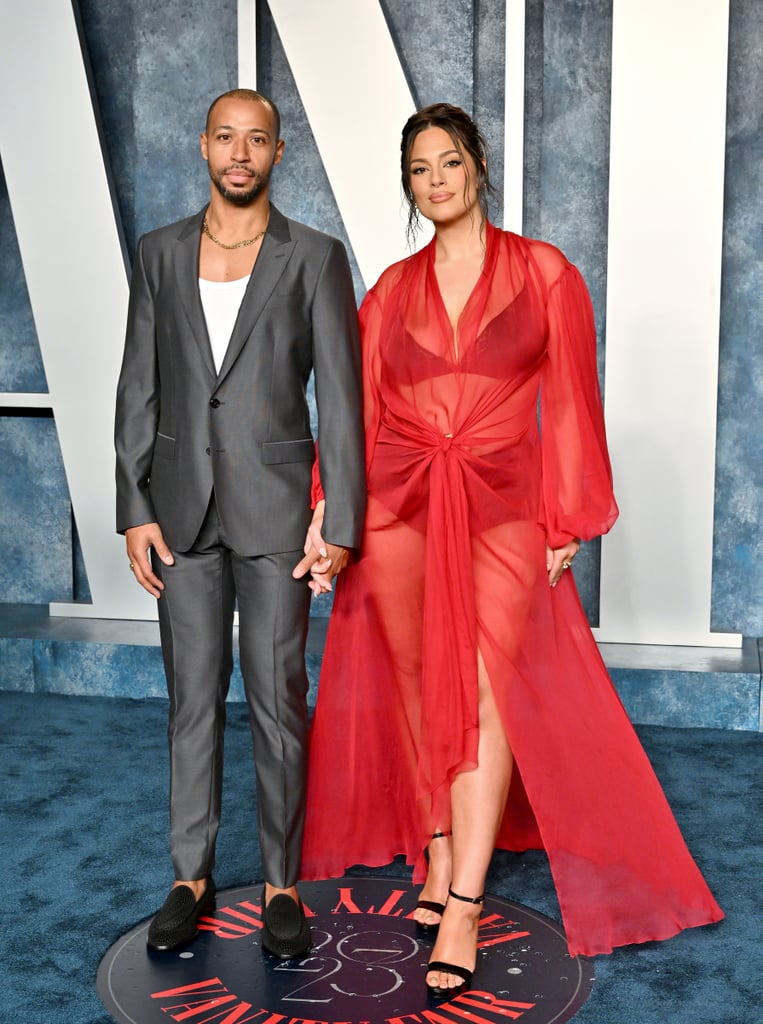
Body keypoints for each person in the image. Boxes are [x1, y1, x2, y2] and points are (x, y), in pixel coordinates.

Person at [300, 103, 723, 996]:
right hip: (398, 506)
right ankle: (438, 848)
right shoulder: (388, 290)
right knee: (420, 691)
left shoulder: (545, 275)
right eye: (419, 170)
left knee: (488, 693)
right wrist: (330, 514)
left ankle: (463, 900)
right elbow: (357, 416)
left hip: (501, 510)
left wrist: (567, 518)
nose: (436, 180)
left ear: (478, 165)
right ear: (409, 186)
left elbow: (570, 403)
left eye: (448, 162)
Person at [114, 88, 365, 958]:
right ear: (202, 145)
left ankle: (280, 884)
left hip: (277, 514)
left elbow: (340, 397)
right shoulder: (158, 253)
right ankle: (189, 875)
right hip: (179, 511)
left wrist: (341, 519)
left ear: (278, 153)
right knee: (190, 700)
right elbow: (137, 387)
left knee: (277, 701)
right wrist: (133, 507)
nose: (240, 153)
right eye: (226, 136)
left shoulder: (314, 257)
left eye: (257, 139)